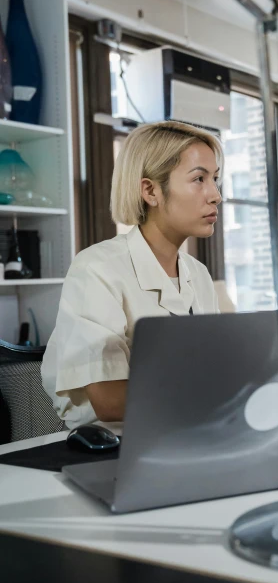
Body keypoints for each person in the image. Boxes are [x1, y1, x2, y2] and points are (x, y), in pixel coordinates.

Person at [42, 120, 222, 428]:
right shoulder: (97, 269)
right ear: (150, 190)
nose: (216, 195)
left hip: (186, 431)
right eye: (199, 179)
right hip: (110, 448)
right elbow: (108, 398)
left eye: (215, 179)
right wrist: (220, 390)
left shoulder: (198, 274)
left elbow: (215, 369)